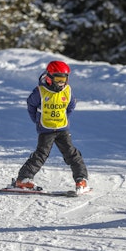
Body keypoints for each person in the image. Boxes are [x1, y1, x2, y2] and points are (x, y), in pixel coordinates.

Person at [13, 60, 90, 195]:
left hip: (62, 129)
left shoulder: (67, 91)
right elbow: (31, 105)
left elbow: (71, 106)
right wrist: (36, 120)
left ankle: (81, 179)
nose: (62, 82)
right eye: (58, 79)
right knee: (41, 154)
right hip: (46, 129)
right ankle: (23, 179)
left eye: (64, 79)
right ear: (49, 77)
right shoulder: (40, 92)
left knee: (72, 154)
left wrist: (63, 117)